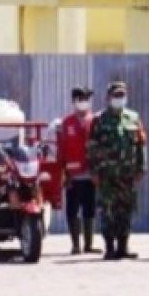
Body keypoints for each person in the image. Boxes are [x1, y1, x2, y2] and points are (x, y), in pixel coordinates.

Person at [87, 81, 147, 261]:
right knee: (107, 210)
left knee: (126, 210)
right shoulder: (98, 120)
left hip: (127, 174)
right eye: (116, 95)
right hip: (106, 174)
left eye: (122, 95)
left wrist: (141, 167)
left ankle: (123, 246)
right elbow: (91, 147)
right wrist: (94, 171)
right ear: (108, 98)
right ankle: (109, 247)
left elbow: (140, 145)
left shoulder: (133, 118)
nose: (119, 99)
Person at [57, 86, 97, 255]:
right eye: (80, 99)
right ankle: (75, 244)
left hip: (90, 174)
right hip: (72, 175)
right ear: (74, 101)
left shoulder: (95, 121)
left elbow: (99, 148)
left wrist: (97, 172)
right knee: (72, 210)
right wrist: (62, 174)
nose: (83, 103)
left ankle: (88, 244)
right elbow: (61, 149)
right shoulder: (66, 123)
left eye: (86, 99)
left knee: (90, 209)